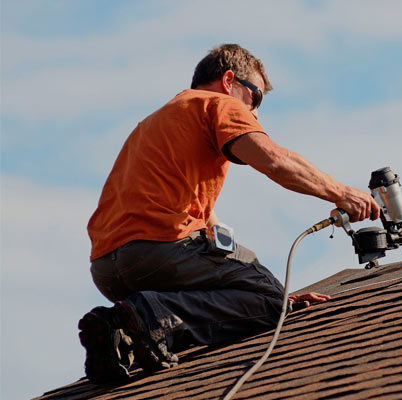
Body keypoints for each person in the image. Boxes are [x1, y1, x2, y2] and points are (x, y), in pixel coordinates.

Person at [79, 43, 380, 384]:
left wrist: (265, 291)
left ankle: (120, 336)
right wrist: (343, 193)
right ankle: (151, 316)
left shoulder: (156, 122)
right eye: (256, 98)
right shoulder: (218, 104)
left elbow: (209, 231)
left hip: (106, 268)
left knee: (260, 294)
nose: (255, 113)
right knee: (271, 304)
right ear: (228, 80)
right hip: (160, 249)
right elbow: (275, 161)